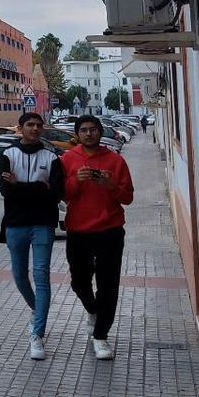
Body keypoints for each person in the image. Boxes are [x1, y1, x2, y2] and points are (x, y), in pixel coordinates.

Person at [60, 114, 134, 360]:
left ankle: (101, 336)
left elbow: (128, 198)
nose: (89, 133)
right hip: (78, 230)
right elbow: (63, 195)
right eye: (84, 130)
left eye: (93, 129)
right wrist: (75, 181)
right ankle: (93, 310)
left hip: (110, 230)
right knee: (79, 281)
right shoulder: (68, 159)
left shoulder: (115, 160)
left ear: (100, 132)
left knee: (108, 284)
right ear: (77, 134)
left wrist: (111, 185)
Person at [0, 111, 65, 360]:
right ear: (20, 128)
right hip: (15, 224)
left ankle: (36, 333)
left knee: (41, 275)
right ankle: (39, 311)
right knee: (19, 276)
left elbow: (55, 195)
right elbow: (6, 192)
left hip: (43, 224)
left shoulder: (52, 157)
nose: (35, 129)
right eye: (30, 125)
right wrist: (38, 187)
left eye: (38, 125)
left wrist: (20, 186)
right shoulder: (6, 155)